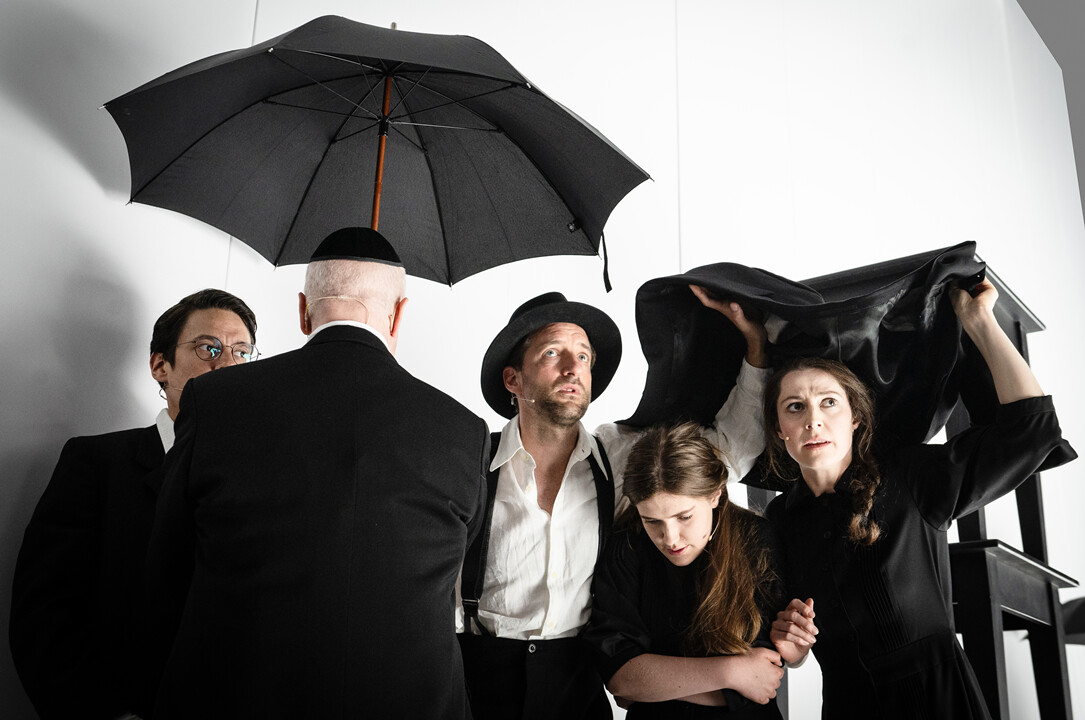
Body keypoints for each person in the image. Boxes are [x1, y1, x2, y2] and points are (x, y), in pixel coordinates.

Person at [146, 228, 489, 719]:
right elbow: (455, 566)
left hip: (238, 696)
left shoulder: (214, 401)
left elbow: (168, 567)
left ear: (303, 310)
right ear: (399, 315)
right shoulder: (464, 431)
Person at [764, 279, 1074, 719]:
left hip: (937, 699)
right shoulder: (779, 518)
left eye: (829, 402)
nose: (813, 420)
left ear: (855, 418)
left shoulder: (910, 476)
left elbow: (1032, 433)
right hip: (847, 706)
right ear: (780, 429)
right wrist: (793, 648)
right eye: (795, 407)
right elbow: (792, 641)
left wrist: (979, 321)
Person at [459, 286, 769, 719]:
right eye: (552, 353)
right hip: (480, 682)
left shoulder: (616, 457)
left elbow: (729, 452)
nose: (573, 367)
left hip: (579, 683)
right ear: (513, 379)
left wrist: (756, 346)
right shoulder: (468, 462)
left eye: (583, 356)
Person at [10, 288, 258, 720]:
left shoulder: (262, 477)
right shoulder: (96, 464)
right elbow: (44, 614)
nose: (227, 365)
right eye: (209, 348)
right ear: (160, 365)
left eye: (242, 352)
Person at [583, 423, 785, 718]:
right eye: (652, 521)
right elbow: (621, 678)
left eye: (684, 516)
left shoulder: (757, 541)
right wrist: (730, 672)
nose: (670, 539)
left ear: (715, 495)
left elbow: (762, 681)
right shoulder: (626, 547)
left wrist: (652, 684)